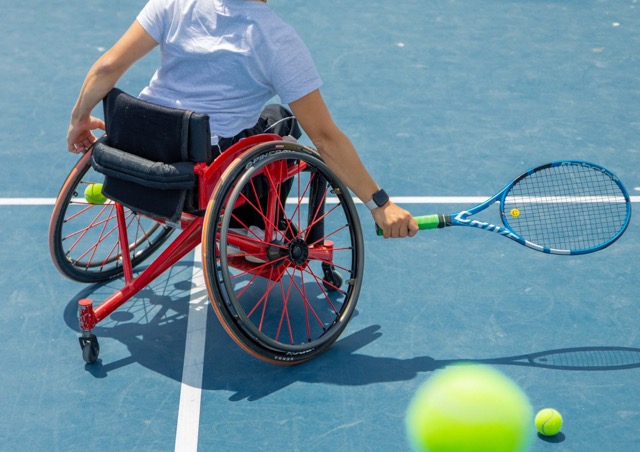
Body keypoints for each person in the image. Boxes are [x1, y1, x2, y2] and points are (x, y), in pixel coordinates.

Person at [66, 0, 418, 238]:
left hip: (135, 150)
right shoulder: (277, 40)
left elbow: (108, 66)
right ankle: (249, 226)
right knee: (281, 122)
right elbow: (325, 138)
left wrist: (79, 120)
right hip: (199, 177)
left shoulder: (175, 3)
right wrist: (379, 204)